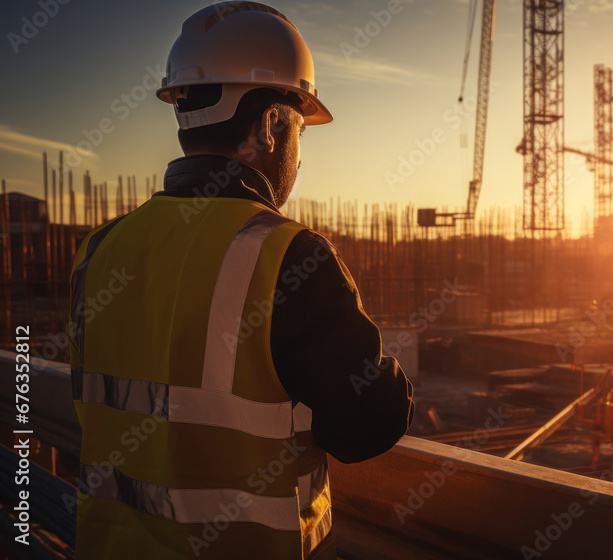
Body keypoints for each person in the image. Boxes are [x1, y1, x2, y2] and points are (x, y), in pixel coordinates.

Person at [68, 3, 413, 558]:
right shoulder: (288, 255)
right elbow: (366, 425)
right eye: (300, 129)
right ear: (272, 126)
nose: (299, 159)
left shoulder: (99, 250)